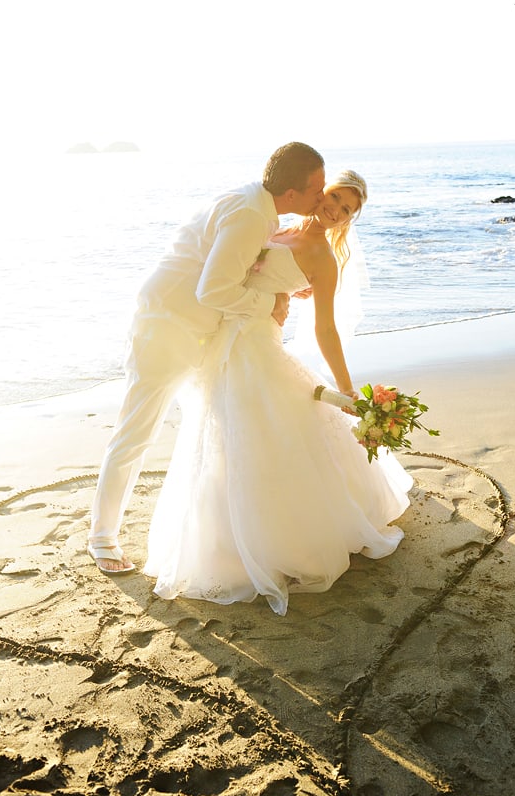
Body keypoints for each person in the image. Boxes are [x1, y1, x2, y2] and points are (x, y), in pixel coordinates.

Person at [143, 170, 414, 616]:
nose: (336, 210)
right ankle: (225, 535)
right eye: (335, 197)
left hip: (258, 346)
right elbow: (225, 268)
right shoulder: (273, 227)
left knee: (260, 432)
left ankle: (278, 541)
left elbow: (324, 327)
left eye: (347, 209)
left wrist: (347, 391)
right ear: (317, 190)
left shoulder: (323, 258)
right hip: (223, 340)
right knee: (221, 434)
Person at [88, 142, 326, 574]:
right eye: (316, 190)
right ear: (291, 193)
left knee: (217, 432)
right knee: (136, 434)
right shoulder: (251, 214)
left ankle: (220, 537)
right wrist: (272, 300)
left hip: (202, 334)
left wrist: (287, 283)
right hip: (168, 329)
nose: (320, 200)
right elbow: (213, 290)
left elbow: (242, 260)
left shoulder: (255, 204)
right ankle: (102, 538)